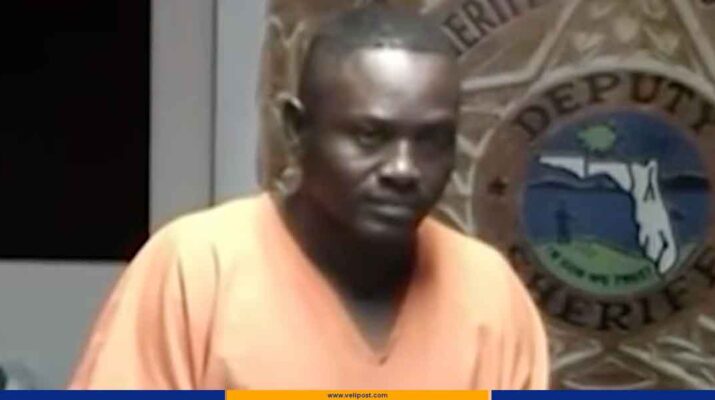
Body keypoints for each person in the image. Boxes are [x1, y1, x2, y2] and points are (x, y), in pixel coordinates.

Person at [69, 4, 549, 390]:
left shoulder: (489, 293)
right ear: (297, 129)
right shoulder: (196, 271)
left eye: (431, 140)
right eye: (370, 136)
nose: (403, 169)